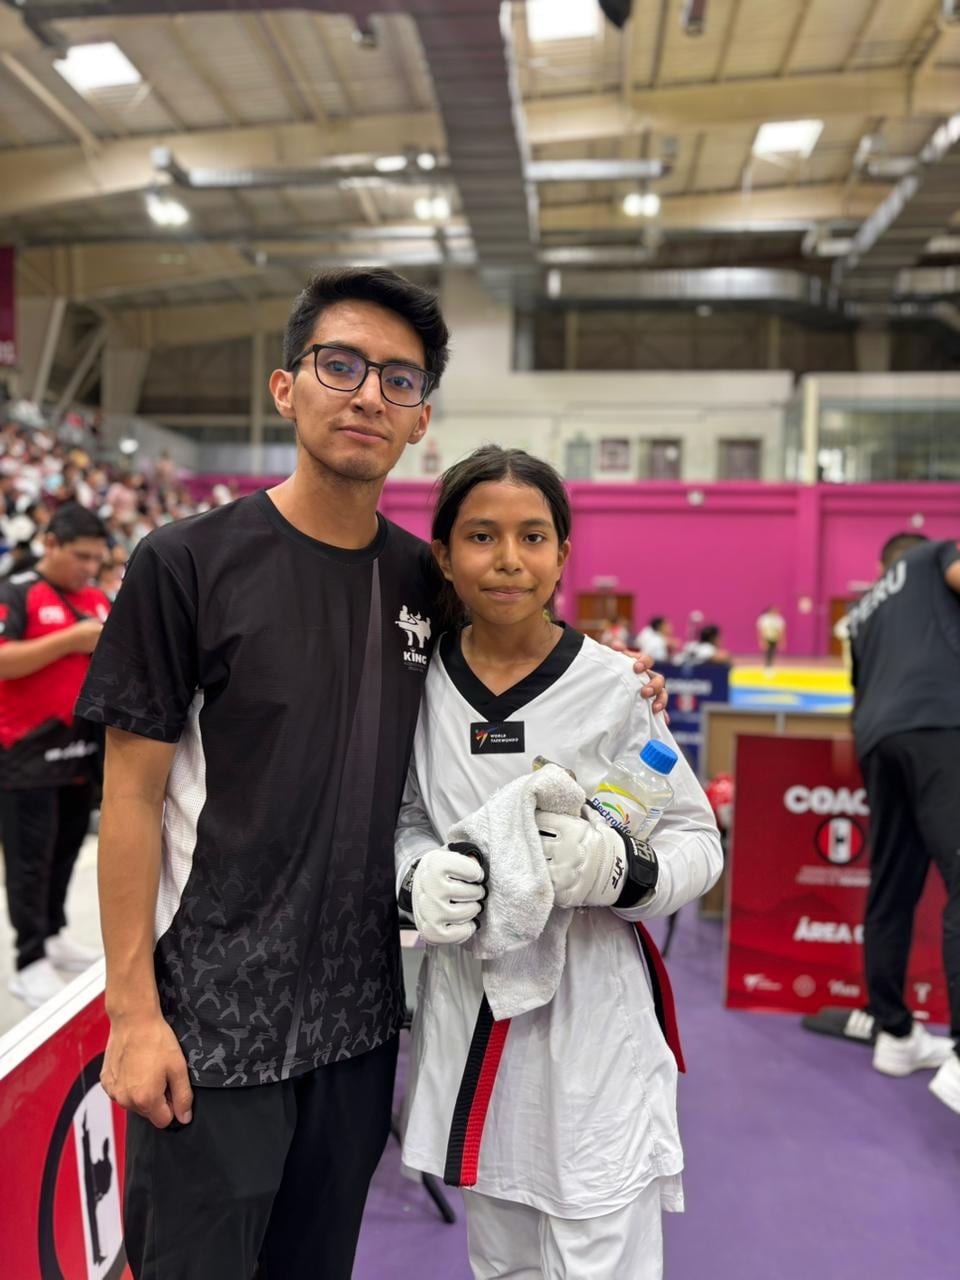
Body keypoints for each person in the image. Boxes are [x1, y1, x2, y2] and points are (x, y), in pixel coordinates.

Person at [75, 268, 668, 1280]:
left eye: (397, 379)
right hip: (213, 1024)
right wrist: (132, 1014)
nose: (366, 394)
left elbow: (522, 647)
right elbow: (128, 798)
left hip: (358, 1028)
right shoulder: (185, 564)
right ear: (286, 386)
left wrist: (621, 672)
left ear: (420, 418)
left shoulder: (423, 581)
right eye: (340, 365)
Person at [395, 446, 722, 1280]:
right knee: (501, 1257)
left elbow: (697, 841)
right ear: (442, 554)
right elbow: (402, 817)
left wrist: (619, 870)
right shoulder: (416, 684)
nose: (508, 559)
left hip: (593, 1022)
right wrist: (416, 877)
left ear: (563, 554)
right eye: (480, 536)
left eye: (533, 536)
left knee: (599, 1245)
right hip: (472, 1014)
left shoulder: (616, 685)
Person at [845, 532, 960, 1113]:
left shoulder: (863, 610)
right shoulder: (937, 551)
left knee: (892, 887)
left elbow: (858, 692)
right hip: (942, 723)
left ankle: (894, 1034)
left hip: (878, 742)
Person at [0, 502, 109, 1007]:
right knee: (29, 861)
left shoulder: (98, 599)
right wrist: (72, 639)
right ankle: (28, 959)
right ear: (50, 544)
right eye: (80, 556)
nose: (88, 567)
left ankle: (55, 931)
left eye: (96, 559)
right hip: (25, 751)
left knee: (66, 851)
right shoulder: (16, 592)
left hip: (82, 747)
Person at [756, 604, 785, 673]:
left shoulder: (779, 619)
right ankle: (767, 665)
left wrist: (782, 640)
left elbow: (781, 630)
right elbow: (761, 629)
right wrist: (762, 640)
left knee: (773, 651)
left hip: (775, 638)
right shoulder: (764, 619)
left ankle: (771, 665)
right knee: (767, 652)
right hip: (767, 637)